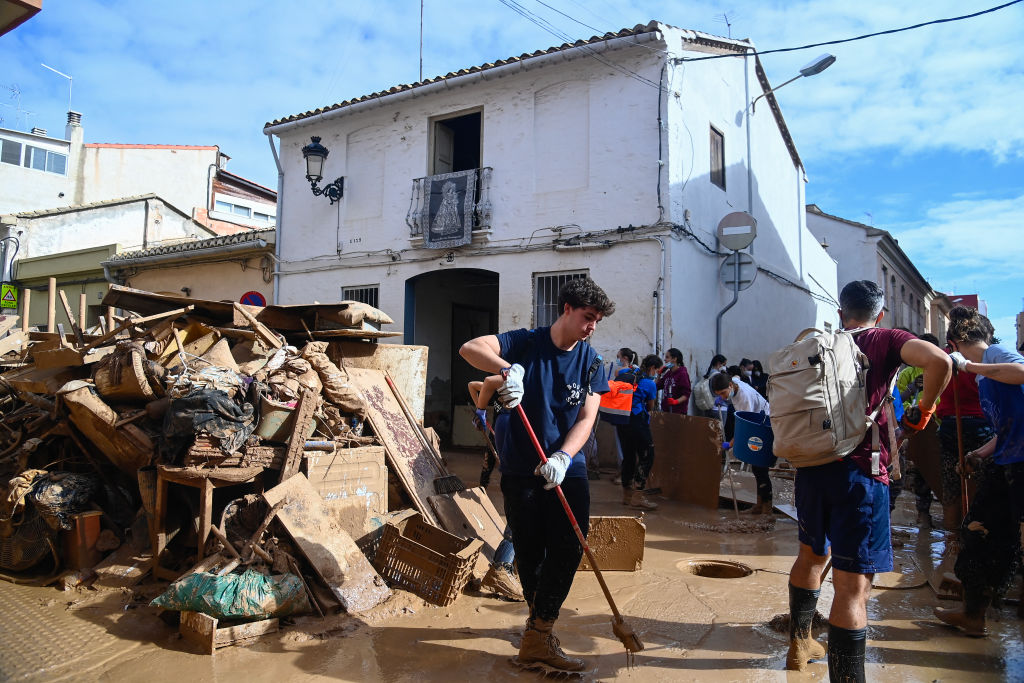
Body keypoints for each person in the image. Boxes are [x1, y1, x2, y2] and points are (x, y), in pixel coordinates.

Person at [785, 280, 951, 681]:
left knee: (810, 555)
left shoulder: (815, 343)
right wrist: (925, 410)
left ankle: (799, 644)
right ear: (880, 314)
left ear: (841, 314)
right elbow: (940, 362)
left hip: (810, 467)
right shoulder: (886, 339)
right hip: (860, 473)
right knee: (852, 585)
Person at [459, 276, 614, 672]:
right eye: (587, 316)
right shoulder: (525, 343)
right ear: (566, 309)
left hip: (567, 468)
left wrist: (563, 457)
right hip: (519, 466)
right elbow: (470, 348)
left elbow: (587, 416)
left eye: (597, 320)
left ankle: (539, 630)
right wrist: (509, 371)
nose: (592, 326)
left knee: (571, 545)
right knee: (529, 551)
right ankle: (539, 633)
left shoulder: (591, 362)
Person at [933, 306, 1024, 635]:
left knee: (1017, 541)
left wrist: (969, 365)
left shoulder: (997, 355)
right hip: (1005, 460)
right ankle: (973, 616)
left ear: (954, 344)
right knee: (976, 531)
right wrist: (979, 453)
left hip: (1022, 464)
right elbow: (1006, 429)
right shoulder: (986, 379)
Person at [467, 376, 526, 602]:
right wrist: (480, 410)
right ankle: (501, 568)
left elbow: (474, 385)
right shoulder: (506, 386)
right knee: (520, 510)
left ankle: (514, 565)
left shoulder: (507, 391)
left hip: (509, 446)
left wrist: (481, 408)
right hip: (513, 448)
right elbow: (476, 385)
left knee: (523, 510)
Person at [934, 339, 994, 531]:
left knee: (951, 483)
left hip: (952, 423)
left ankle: (952, 539)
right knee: (981, 482)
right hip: (979, 423)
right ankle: (975, 533)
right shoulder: (984, 358)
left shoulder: (943, 357)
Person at [894, 333, 942, 528]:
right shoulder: (908, 374)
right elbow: (897, 402)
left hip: (940, 426)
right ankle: (923, 513)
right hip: (916, 429)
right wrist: (913, 388)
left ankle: (951, 511)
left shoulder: (943, 369)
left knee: (942, 471)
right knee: (921, 472)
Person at [710, 371, 773, 514]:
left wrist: (730, 444)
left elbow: (745, 427)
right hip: (757, 422)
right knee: (757, 468)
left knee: (761, 467)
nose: (723, 397)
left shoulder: (744, 398)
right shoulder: (734, 383)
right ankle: (759, 505)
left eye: (723, 393)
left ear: (731, 386)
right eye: (719, 395)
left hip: (764, 425)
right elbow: (736, 377)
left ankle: (767, 510)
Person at [617, 355, 661, 510]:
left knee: (628, 456)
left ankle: (626, 496)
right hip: (637, 421)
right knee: (648, 455)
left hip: (621, 421)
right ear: (653, 368)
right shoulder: (649, 383)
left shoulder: (628, 376)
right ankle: (638, 495)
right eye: (657, 370)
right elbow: (650, 406)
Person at [658, 347, 691, 414]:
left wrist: (675, 401)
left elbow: (686, 394)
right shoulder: (668, 373)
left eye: (667, 357)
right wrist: (659, 374)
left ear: (674, 359)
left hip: (678, 412)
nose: (665, 360)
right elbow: (656, 386)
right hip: (666, 411)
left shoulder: (682, 374)